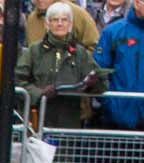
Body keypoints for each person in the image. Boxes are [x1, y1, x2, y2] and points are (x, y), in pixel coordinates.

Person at [18, 0, 106, 129]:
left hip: (71, 119)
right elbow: (18, 79)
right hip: (39, 119)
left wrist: (93, 83)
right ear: (47, 24)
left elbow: (101, 84)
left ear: (70, 25)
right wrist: (39, 93)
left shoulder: (80, 52)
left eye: (64, 20)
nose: (59, 24)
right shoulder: (34, 51)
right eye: (54, 20)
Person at [97, 0, 144, 130]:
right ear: (137, 3)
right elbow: (99, 72)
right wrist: (111, 103)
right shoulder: (112, 32)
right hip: (117, 120)